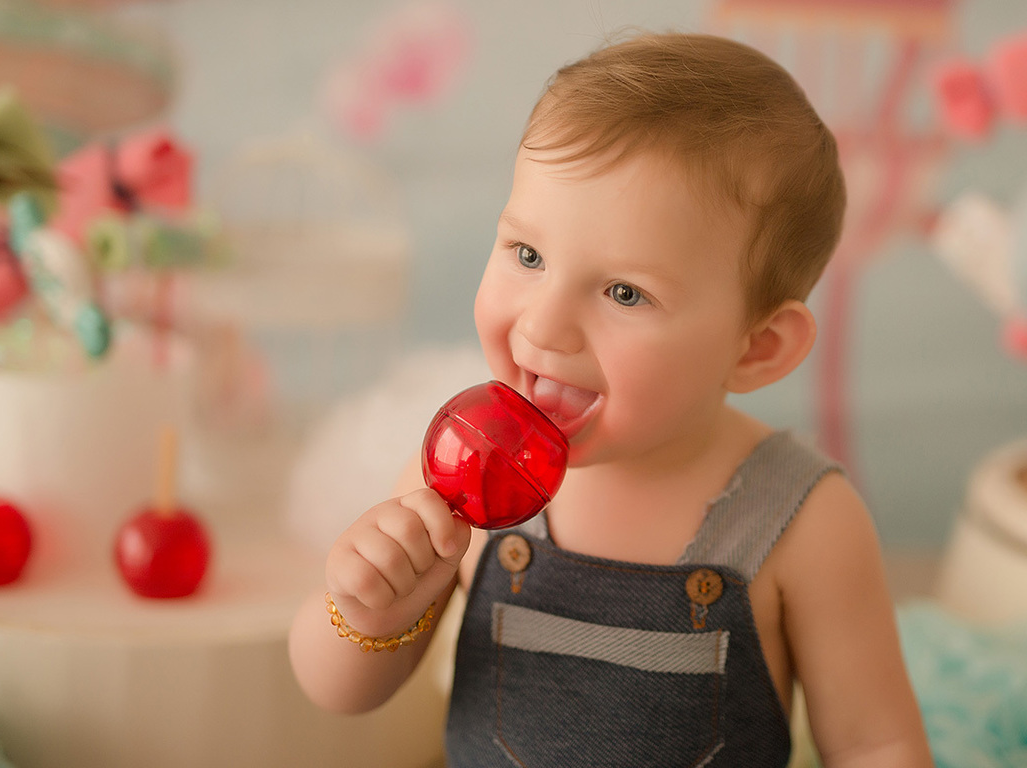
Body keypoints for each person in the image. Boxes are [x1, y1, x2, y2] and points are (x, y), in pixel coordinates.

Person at [289, 31, 933, 767]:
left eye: (625, 292)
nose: (542, 323)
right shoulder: (470, 471)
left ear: (756, 347)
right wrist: (367, 611)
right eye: (527, 255)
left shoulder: (802, 518)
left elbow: (876, 743)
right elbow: (339, 692)